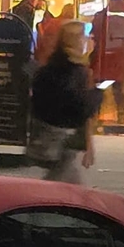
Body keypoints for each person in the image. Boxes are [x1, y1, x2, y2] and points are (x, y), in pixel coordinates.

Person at [28, 20, 100, 184]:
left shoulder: (51, 66)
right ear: (76, 41)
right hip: (64, 138)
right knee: (66, 185)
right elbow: (83, 110)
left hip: (49, 134)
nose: (88, 40)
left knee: (63, 182)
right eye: (85, 37)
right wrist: (97, 95)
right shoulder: (78, 72)